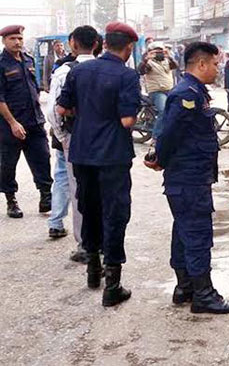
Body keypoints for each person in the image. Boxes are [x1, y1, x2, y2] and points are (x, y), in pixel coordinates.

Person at [145, 42, 229, 314]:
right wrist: (160, 159)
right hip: (188, 178)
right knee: (197, 233)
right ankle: (204, 294)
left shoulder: (195, 92)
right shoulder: (187, 94)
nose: (217, 68)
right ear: (200, 65)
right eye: (214, 64)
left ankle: (184, 286)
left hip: (189, 177)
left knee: (184, 230)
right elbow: (169, 133)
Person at [57, 22, 142, 307]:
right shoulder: (127, 75)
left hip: (82, 152)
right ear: (128, 48)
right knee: (115, 213)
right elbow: (127, 120)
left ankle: (93, 272)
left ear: (103, 44)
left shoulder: (78, 70)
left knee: (89, 208)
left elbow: (61, 108)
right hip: (113, 155)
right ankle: (112, 286)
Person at [45, 26, 97, 252]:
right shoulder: (112, 70)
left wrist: (63, 137)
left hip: (75, 140)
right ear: (97, 43)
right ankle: (104, 246)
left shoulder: (65, 72)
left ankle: (85, 246)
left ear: (73, 43)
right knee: (103, 192)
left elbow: (55, 111)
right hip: (105, 141)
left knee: (79, 192)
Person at [0, 25, 53, 219]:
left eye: (20, 38)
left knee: (43, 158)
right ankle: (11, 200)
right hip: (9, 125)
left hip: (34, 121)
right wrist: (13, 123)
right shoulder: (1, 64)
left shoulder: (28, 60)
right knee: (8, 164)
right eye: (13, 38)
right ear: (4, 41)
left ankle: (46, 196)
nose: (17, 42)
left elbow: (34, 89)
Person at [138, 41, 178, 140]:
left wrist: (169, 57)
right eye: (156, 52)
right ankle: (156, 137)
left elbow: (175, 66)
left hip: (169, 90)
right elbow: (142, 71)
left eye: (161, 51)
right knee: (163, 111)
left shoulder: (167, 61)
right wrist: (146, 59)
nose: (159, 54)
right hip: (157, 92)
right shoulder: (149, 63)